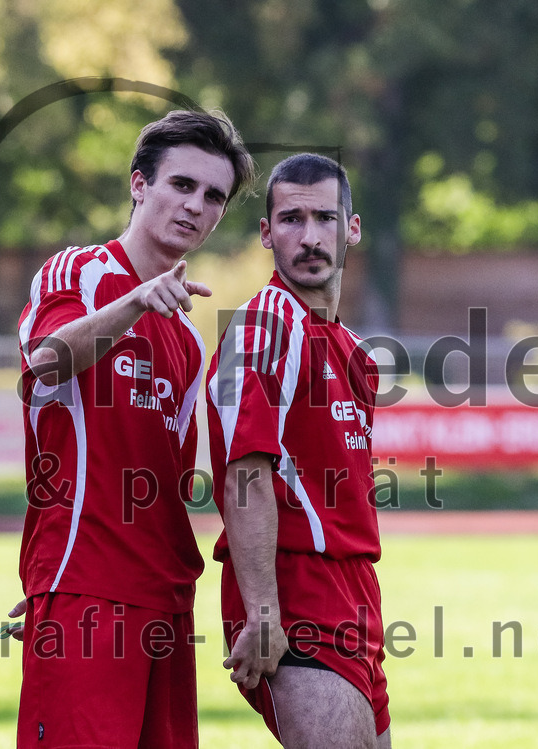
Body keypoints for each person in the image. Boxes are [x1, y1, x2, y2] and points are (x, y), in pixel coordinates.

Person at [12, 109, 255, 749]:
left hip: (167, 597)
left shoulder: (188, 338)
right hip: (85, 585)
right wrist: (133, 302)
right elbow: (44, 363)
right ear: (138, 184)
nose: (195, 206)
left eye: (213, 197)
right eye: (181, 184)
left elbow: (170, 481)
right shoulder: (82, 274)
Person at [205, 153, 390, 748]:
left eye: (325, 218)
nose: (309, 237)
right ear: (267, 233)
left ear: (352, 229)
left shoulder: (353, 350)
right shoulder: (262, 325)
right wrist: (262, 612)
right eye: (290, 219)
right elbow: (244, 473)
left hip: (357, 593)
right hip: (294, 592)